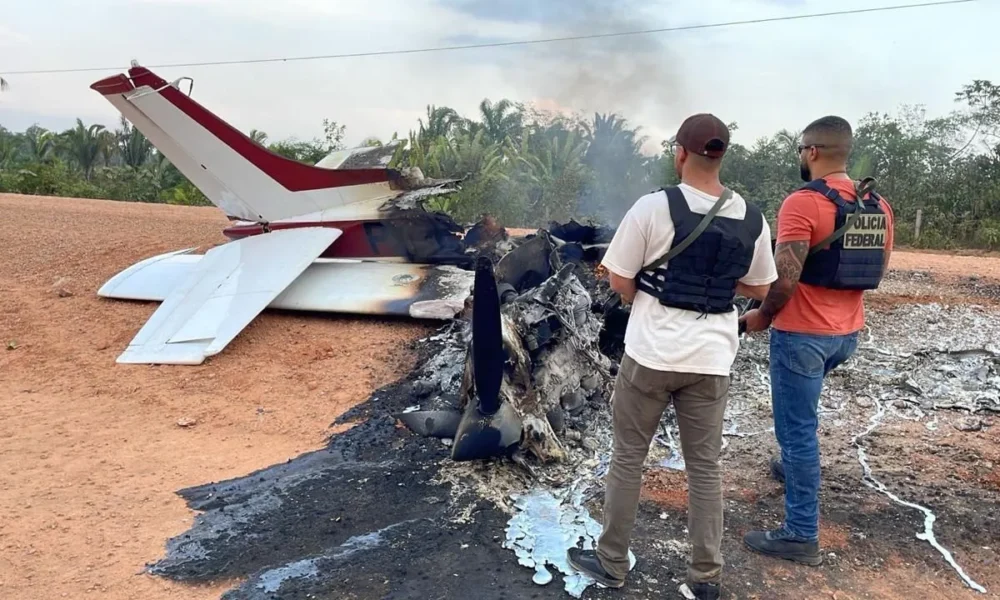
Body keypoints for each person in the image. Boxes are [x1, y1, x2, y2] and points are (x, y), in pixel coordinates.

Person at [567, 114, 777, 600]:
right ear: (722, 155)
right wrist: (719, 285)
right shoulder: (752, 217)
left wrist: (645, 291)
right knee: (705, 468)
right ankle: (705, 577)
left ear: (679, 152)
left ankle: (612, 561)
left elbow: (619, 279)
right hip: (711, 361)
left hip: (651, 355)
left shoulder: (653, 207)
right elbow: (761, 286)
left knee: (628, 458)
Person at [740, 116, 894, 565]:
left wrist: (763, 315)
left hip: (802, 335)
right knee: (802, 420)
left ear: (810, 152)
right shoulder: (878, 205)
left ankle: (800, 533)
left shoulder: (802, 203)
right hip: (847, 334)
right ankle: (792, 470)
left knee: (798, 431)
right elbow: (878, 270)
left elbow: (784, 278)